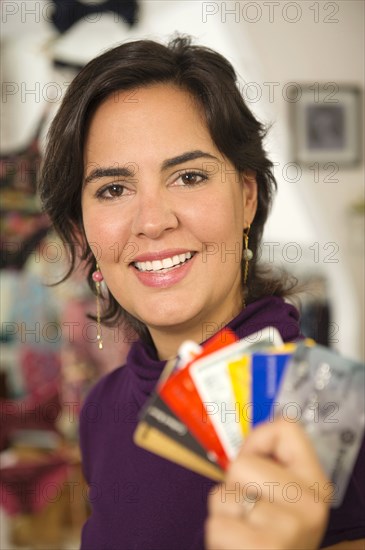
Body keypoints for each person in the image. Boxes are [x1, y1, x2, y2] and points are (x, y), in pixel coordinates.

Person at [39, 36, 365, 549]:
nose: (152, 221)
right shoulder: (102, 408)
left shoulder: (340, 415)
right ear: (82, 230)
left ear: (248, 197)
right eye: (113, 189)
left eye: (189, 177)